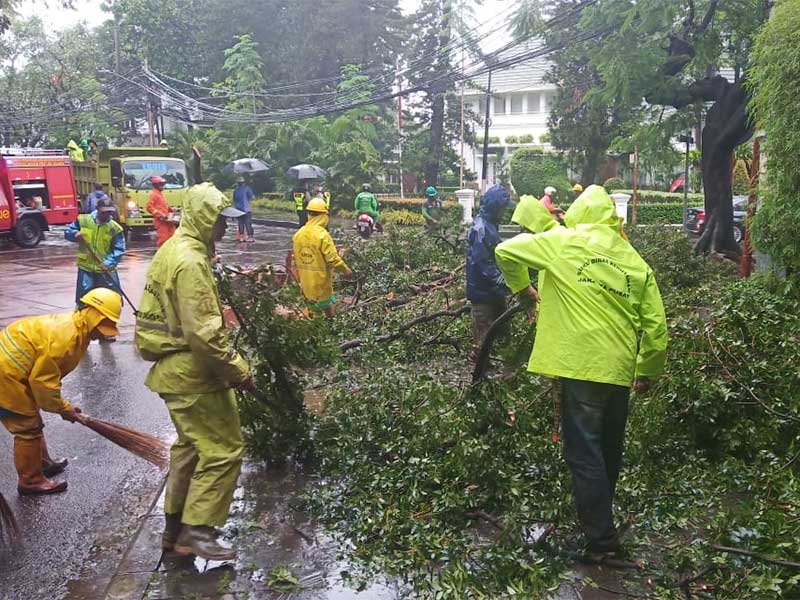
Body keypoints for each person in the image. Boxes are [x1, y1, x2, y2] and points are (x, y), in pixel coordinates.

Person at [495, 185, 668, 556]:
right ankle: (602, 522)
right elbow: (655, 326)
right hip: (619, 368)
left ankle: (602, 541)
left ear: (578, 213)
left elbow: (505, 250)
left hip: (583, 365)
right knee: (608, 449)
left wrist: (524, 290)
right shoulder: (634, 260)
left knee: (583, 452)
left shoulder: (564, 242)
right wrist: (647, 370)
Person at [135, 182, 251, 561]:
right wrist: (238, 371)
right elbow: (205, 337)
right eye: (220, 222)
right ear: (205, 218)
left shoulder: (173, 250)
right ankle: (198, 532)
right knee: (223, 450)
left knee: (188, 449)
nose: (224, 229)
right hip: (193, 374)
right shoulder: (191, 263)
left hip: (172, 370)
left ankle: (173, 528)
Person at [0, 288, 122, 495]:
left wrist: (64, 407)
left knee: (33, 420)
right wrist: (64, 409)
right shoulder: (67, 339)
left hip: (14, 368)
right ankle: (30, 481)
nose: (103, 332)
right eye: (103, 324)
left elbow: (43, 380)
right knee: (27, 428)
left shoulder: (75, 328)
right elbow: (44, 385)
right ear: (93, 317)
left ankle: (42, 463)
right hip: (6, 375)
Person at [65, 198, 126, 337]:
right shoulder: (84, 220)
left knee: (109, 300)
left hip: (104, 269)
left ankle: (107, 331)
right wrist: (74, 234)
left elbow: (119, 249)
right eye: (104, 212)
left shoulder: (114, 228)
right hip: (86, 267)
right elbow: (68, 231)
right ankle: (81, 330)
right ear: (97, 210)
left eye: (109, 212)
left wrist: (109, 263)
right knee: (83, 299)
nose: (106, 215)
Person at [466, 185, 512, 354]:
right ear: (495, 207)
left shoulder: (490, 224)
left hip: (493, 290)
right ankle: (480, 373)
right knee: (483, 336)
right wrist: (502, 280)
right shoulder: (482, 229)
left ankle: (502, 364)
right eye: (502, 209)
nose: (504, 212)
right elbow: (483, 263)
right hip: (482, 291)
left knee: (502, 328)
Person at [292, 197, 352, 318]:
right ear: (323, 216)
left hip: (305, 281)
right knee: (325, 304)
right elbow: (332, 259)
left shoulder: (298, 234)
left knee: (311, 307)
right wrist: (346, 270)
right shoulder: (322, 235)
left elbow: (295, 258)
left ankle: (315, 329)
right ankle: (330, 326)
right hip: (321, 281)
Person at [147, 175, 177, 249]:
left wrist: (171, 209)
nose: (163, 186)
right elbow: (149, 207)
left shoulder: (160, 194)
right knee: (163, 239)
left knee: (172, 238)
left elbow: (164, 206)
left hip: (167, 221)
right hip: (161, 221)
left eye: (163, 184)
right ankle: (161, 254)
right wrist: (160, 215)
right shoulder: (154, 194)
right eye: (161, 184)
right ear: (156, 185)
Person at [233, 177, 255, 243]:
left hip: (238, 210)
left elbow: (234, 200)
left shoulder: (235, 190)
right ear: (243, 183)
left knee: (240, 224)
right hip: (246, 210)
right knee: (248, 224)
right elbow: (253, 197)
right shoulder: (247, 189)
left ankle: (241, 237)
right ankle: (250, 237)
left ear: (237, 183)